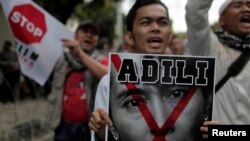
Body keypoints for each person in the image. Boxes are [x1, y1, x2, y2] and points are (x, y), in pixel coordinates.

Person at [88, 0, 213, 140]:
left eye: (162, 22)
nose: (155, 28)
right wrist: (102, 133)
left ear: (169, 35)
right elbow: (104, 132)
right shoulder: (108, 84)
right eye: (146, 22)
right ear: (129, 37)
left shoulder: (196, 79)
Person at [185, 0, 250, 138]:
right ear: (222, 20)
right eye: (237, 5)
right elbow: (194, 12)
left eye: (249, 5)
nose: (246, 9)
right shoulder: (208, 47)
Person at [43, 20, 108, 141]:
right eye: (85, 31)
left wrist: (80, 53)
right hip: (62, 125)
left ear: (97, 39)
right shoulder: (61, 59)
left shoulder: (102, 60)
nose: (89, 35)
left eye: (93, 33)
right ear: (75, 35)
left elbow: (108, 76)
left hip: (91, 127)